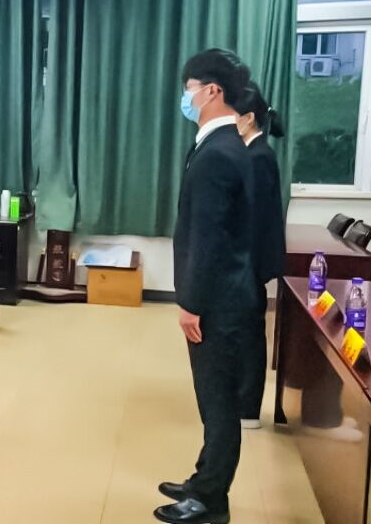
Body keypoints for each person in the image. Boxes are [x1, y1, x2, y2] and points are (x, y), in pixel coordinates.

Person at [157, 49, 257, 524]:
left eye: (189, 88)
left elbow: (209, 237)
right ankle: (203, 479)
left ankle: (211, 501)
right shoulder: (220, 144)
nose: (186, 97)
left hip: (218, 302)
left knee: (218, 404)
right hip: (225, 295)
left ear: (212, 91)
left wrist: (191, 303)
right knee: (212, 399)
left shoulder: (219, 152)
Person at [234, 81, 286, 431]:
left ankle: (248, 408)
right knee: (245, 331)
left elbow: (254, 218)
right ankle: (243, 403)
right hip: (249, 258)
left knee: (250, 334)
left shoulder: (258, 157)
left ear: (249, 118)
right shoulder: (252, 153)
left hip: (250, 260)